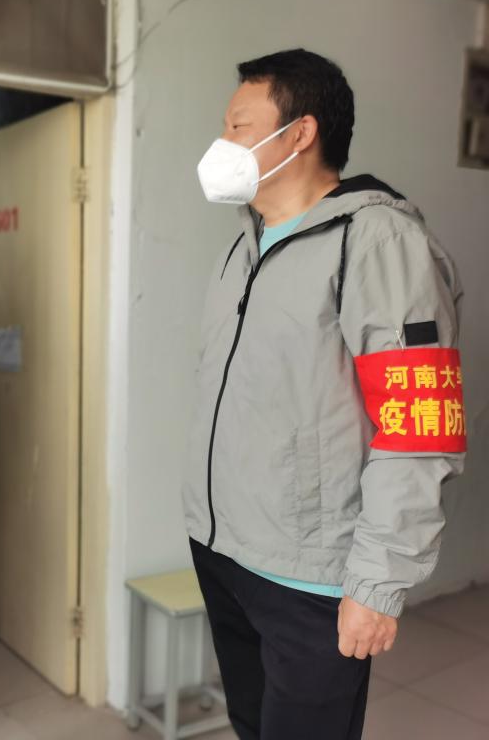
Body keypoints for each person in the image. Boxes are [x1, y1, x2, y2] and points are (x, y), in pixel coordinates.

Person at [183, 48, 466, 740]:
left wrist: (377, 583)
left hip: (311, 576)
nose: (223, 143)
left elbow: (419, 426)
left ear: (300, 133)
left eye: (239, 126)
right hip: (225, 548)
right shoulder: (244, 246)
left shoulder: (377, 241)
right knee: (253, 724)